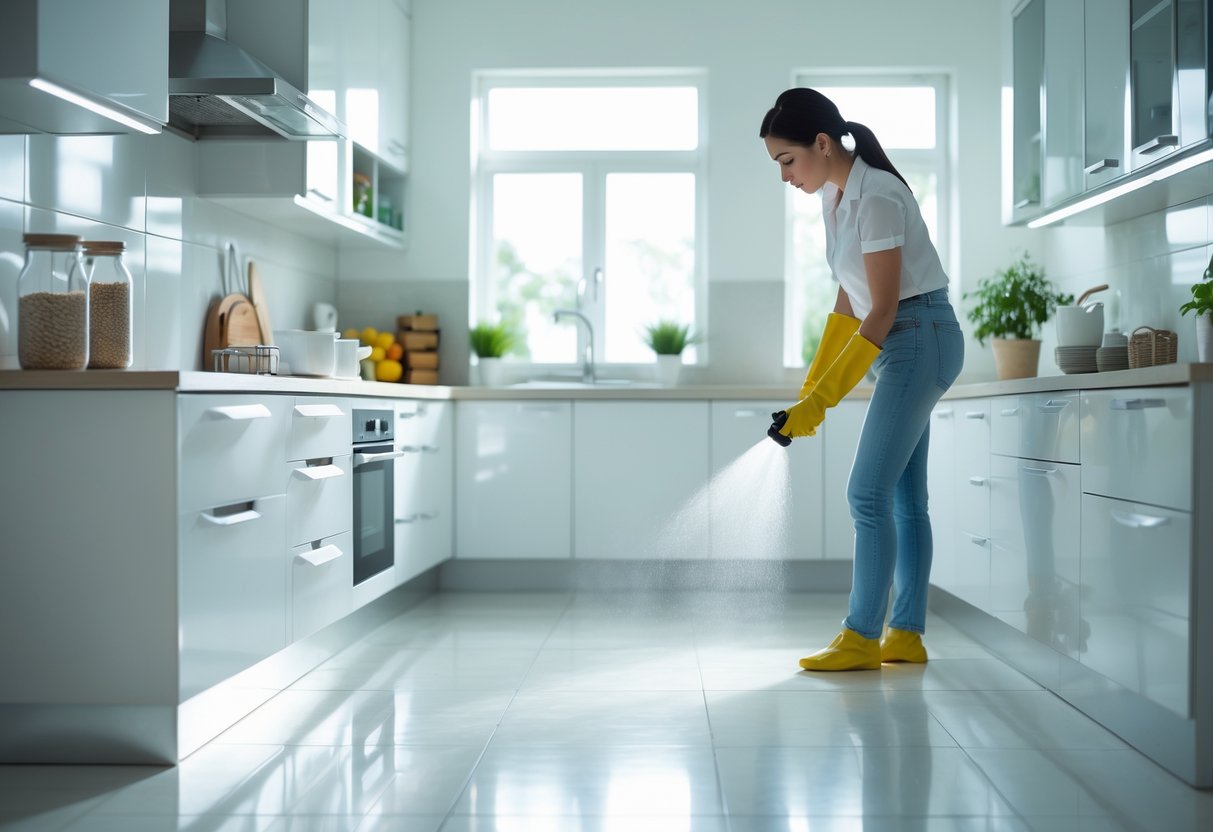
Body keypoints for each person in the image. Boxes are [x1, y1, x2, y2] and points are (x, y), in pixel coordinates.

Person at [761, 87, 964, 671]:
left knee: (866, 493)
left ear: (821, 144)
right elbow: (848, 303)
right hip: (908, 341)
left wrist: (822, 403)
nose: (784, 176)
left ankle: (861, 637)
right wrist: (808, 394)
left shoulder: (877, 197)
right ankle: (905, 635)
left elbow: (882, 311)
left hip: (918, 336)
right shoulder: (837, 197)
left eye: (787, 161)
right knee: (903, 499)